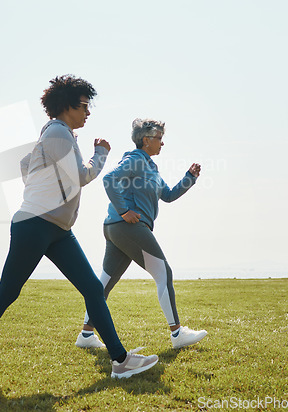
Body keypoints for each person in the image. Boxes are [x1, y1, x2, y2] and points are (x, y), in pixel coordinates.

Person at [0, 76, 158, 379]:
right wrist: (100, 153)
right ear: (66, 106)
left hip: (56, 228)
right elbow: (81, 176)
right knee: (8, 292)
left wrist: (39, 183)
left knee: (92, 289)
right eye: (84, 106)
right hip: (36, 224)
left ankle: (120, 360)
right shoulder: (59, 132)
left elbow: (25, 165)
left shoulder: (57, 135)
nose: (88, 112)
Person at [75, 118, 207, 351]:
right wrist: (125, 210)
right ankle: (177, 334)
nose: (162, 144)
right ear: (146, 140)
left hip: (118, 228)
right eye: (159, 139)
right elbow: (109, 179)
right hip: (126, 227)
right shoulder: (135, 159)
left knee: (105, 283)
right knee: (163, 272)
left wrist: (190, 178)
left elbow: (168, 195)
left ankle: (86, 335)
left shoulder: (151, 167)